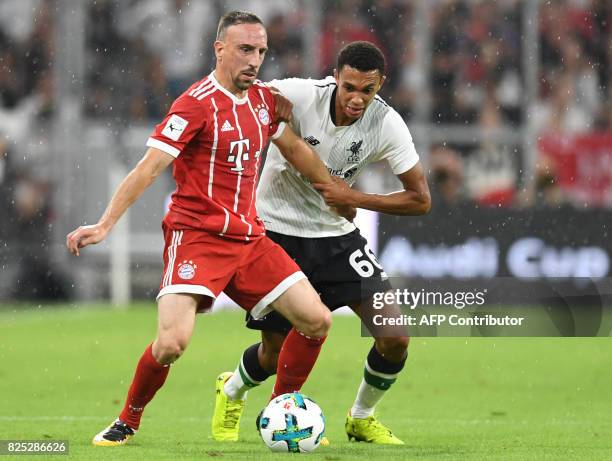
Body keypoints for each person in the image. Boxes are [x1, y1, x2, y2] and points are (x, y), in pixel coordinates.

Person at [66, 11, 346, 447]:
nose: (255, 60)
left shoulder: (264, 101)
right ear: (220, 49)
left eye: (261, 51)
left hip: (250, 240)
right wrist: (105, 224)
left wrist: (333, 188)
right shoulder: (195, 103)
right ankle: (128, 420)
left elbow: (293, 149)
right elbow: (149, 167)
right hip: (197, 236)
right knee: (172, 344)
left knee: (316, 320)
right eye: (245, 50)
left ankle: (283, 411)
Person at [212, 41, 431, 445]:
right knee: (274, 355)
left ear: (380, 85)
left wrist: (355, 198)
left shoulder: (386, 124)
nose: (356, 98)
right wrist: (264, 99)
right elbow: (242, 92)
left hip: (336, 239)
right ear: (335, 77)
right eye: (349, 87)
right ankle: (232, 390)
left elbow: (420, 199)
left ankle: (361, 418)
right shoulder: (300, 95)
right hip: (275, 233)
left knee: (395, 334)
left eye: (367, 90)